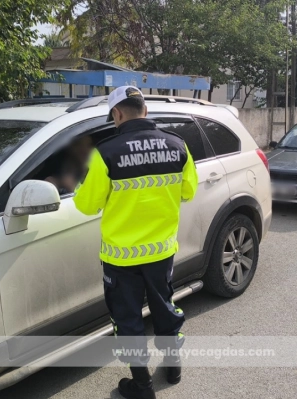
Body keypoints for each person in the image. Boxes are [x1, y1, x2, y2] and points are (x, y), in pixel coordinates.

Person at [74, 86, 197, 399]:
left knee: (128, 321)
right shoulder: (177, 144)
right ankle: (173, 366)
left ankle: (142, 387)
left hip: (121, 259)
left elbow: (87, 205)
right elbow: (189, 192)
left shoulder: (106, 152)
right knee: (165, 309)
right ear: (144, 109)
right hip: (161, 252)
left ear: (117, 114)